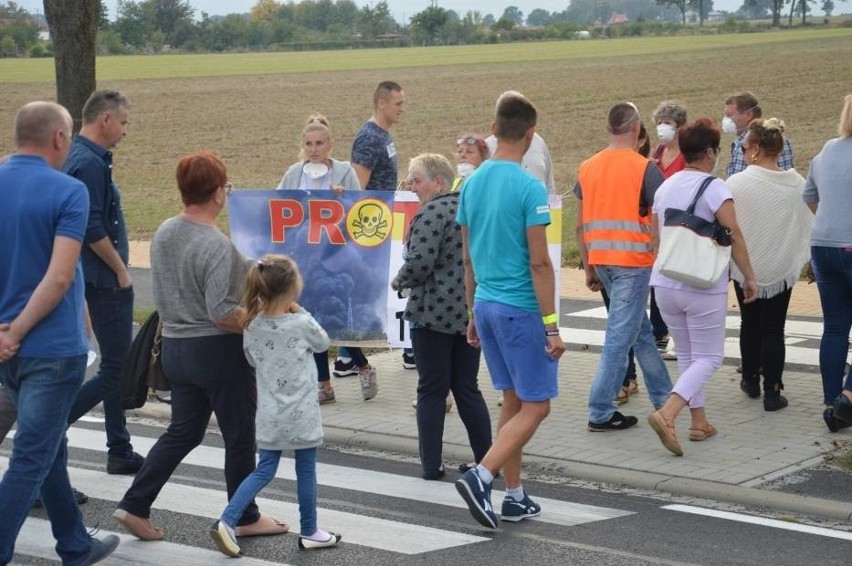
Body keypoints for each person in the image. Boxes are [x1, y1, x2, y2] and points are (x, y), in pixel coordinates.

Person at [114, 151, 288, 541]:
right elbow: (223, 312)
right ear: (217, 194)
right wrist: (268, 320)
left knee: (184, 431)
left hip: (175, 348)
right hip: (217, 353)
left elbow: (214, 272)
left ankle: (134, 504)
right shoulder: (215, 244)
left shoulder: (165, 231)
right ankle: (243, 517)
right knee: (240, 436)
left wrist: (256, 266)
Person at [0, 101, 119, 565]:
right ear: (58, 139)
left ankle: (74, 543)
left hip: (7, 348)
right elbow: (59, 277)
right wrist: (20, 330)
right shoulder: (68, 191)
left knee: (49, 445)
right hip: (51, 347)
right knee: (31, 456)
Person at [455, 91, 565, 529]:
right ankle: (481, 475)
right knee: (537, 407)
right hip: (520, 309)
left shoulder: (472, 182)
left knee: (512, 401)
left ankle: (515, 496)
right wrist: (552, 326)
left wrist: (469, 313)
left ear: (494, 130)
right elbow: (540, 262)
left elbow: (467, 258)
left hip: (484, 304)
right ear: (532, 134)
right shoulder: (529, 187)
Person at [210, 254, 341, 556]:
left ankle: (228, 520)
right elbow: (322, 342)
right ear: (292, 288)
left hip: (269, 412)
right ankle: (310, 530)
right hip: (302, 413)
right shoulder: (300, 322)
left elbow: (251, 359)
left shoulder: (252, 325)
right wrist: (300, 310)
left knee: (264, 470)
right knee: (306, 471)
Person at [647, 118, 758, 456]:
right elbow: (734, 233)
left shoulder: (665, 186)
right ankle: (668, 414)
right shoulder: (715, 188)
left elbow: (655, 239)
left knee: (689, 356)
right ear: (709, 152)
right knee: (709, 356)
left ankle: (699, 423)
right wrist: (749, 275)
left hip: (665, 282)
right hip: (701, 283)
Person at [392, 154, 492, 480]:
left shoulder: (430, 212)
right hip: (469, 312)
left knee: (432, 390)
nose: (412, 186)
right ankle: (488, 460)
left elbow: (420, 263)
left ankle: (432, 465)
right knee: (467, 388)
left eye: (416, 180)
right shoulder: (470, 208)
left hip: (432, 314)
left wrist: (399, 281)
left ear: (438, 181)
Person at [575, 102, 672, 432]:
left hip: (602, 260)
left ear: (609, 128)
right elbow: (665, 215)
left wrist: (588, 265)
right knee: (619, 340)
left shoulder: (588, 167)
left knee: (640, 333)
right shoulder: (645, 168)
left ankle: (665, 399)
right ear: (636, 127)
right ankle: (599, 410)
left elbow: (580, 223)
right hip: (633, 261)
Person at [61, 90, 145, 475]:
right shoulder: (88, 163)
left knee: (115, 362)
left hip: (97, 277)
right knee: (115, 367)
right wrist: (121, 269)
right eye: (124, 122)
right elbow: (91, 225)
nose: (126, 131)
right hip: (103, 278)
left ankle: (120, 448)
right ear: (105, 119)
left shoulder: (87, 158)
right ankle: (52, 429)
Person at [275, 114, 367, 404]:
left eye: (318, 143)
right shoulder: (294, 172)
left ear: (330, 145)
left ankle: (363, 364)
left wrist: (343, 198)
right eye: (308, 144)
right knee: (312, 317)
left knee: (334, 317)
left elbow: (362, 207)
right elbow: (276, 204)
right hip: (304, 255)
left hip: (335, 255)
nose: (313, 149)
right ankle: (324, 385)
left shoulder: (343, 172)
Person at [727, 119, 812, 412]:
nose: (742, 149)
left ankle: (750, 379)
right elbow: (806, 223)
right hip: (779, 265)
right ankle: (773, 392)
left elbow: (728, 226)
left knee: (749, 322)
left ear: (756, 149)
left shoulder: (735, 184)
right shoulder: (797, 183)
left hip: (745, 264)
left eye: (745, 145)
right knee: (774, 328)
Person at [343, 80, 407, 374]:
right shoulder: (370, 137)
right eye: (398, 104)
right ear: (382, 104)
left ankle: (345, 355)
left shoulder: (384, 135)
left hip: (383, 220)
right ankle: (346, 354)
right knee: (366, 288)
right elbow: (358, 187)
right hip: (371, 227)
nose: (401, 109)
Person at [802, 93, 852, 432]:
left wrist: (831, 222)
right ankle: (847, 398)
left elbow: (809, 196)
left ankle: (829, 400)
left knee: (834, 327)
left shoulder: (828, 149)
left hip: (822, 244)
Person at [649, 102, 689, 357]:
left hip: (681, 225)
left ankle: (679, 336)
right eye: (660, 123)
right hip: (658, 224)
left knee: (679, 281)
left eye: (668, 124)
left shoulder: (686, 155)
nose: (663, 128)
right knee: (659, 280)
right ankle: (659, 332)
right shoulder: (658, 151)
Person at [723, 92, 794, 177]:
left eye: (730, 115)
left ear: (748, 115)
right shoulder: (778, 138)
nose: (726, 120)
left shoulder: (749, 142)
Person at [485, 131, 556, 193]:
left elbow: (550, 186)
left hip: (540, 207)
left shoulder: (539, 142)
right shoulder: (488, 146)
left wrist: (555, 208)